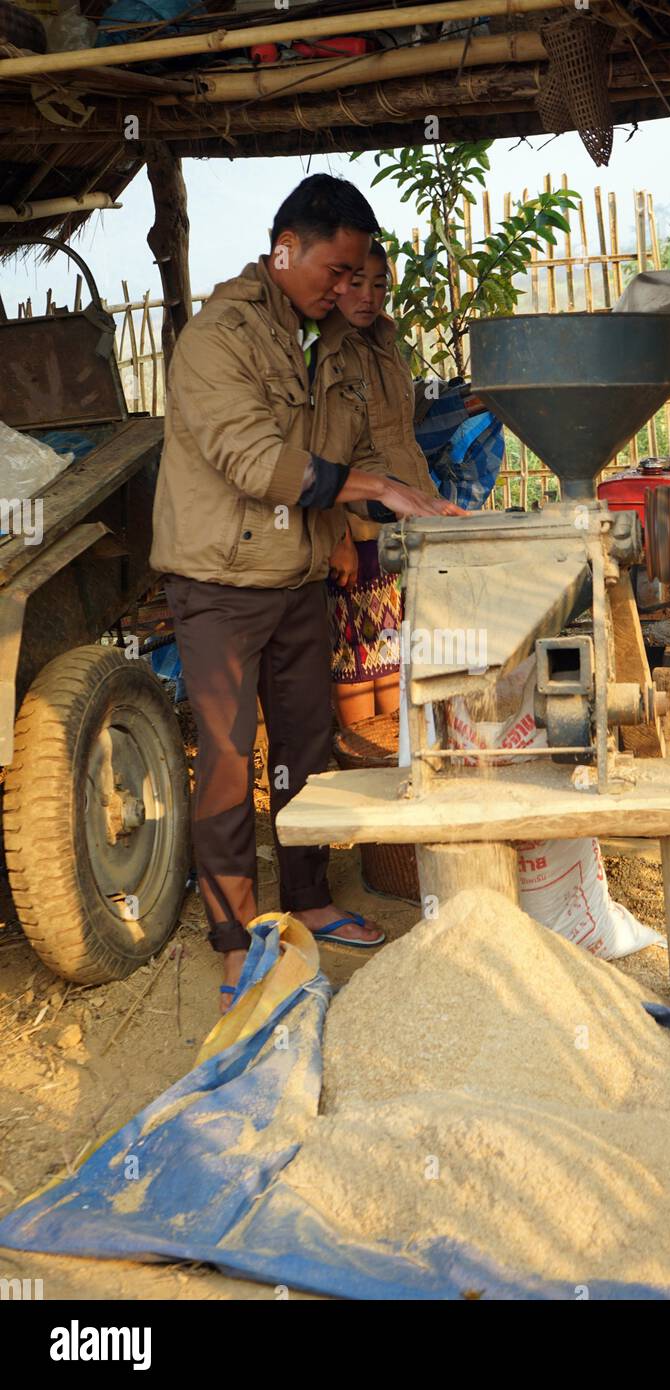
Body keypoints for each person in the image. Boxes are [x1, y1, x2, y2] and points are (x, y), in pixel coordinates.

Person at [150, 175, 462, 1010]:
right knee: (223, 759)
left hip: (296, 575)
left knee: (305, 743)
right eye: (336, 269)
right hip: (218, 580)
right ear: (286, 246)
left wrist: (423, 501)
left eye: (358, 273)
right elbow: (257, 462)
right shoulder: (220, 337)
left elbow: (376, 434)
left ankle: (309, 897)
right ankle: (236, 936)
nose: (344, 288)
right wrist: (370, 487)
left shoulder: (320, 337)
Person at [327, 241, 440, 727]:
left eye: (379, 285)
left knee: (400, 664)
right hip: (361, 531)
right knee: (359, 666)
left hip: (407, 521)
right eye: (357, 284)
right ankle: (363, 767)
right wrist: (339, 537)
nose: (369, 296)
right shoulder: (327, 353)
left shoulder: (387, 345)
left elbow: (401, 430)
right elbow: (321, 458)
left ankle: (397, 764)